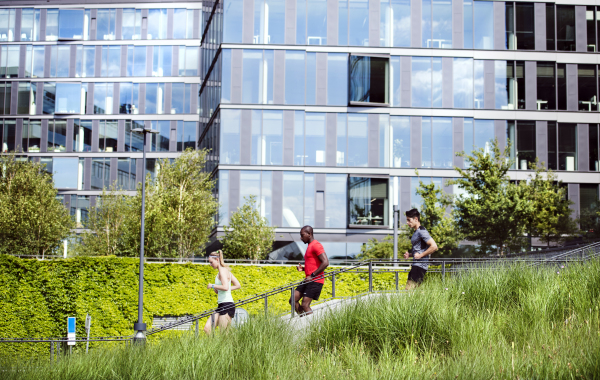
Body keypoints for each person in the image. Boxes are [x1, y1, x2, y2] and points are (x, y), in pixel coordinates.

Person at [290, 225, 329, 316]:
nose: (301, 237)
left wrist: (312, 276)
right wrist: (303, 269)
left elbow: (325, 262)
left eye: (302, 235)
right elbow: (314, 265)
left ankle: (311, 326)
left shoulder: (316, 245)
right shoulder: (310, 246)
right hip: (309, 279)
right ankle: (303, 320)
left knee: (305, 305)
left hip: (315, 280)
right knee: (293, 300)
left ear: (309, 234)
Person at [205, 250, 241, 334]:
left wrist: (213, 285)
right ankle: (212, 347)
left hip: (227, 305)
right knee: (207, 328)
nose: (210, 265)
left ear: (217, 260)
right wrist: (219, 289)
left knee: (224, 334)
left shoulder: (222, 271)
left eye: (211, 262)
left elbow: (225, 287)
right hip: (221, 305)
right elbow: (237, 285)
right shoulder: (224, 272)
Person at [403, 208, 438, 290]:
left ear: (416, 219)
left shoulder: (422, 231)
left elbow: (434, 246)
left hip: (419, 266)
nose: (407, 223)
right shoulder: (416, 232)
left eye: (409, 220)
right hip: (418, 265)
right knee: (419, 292)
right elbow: (419, 250)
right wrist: (410, 255)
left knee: (408, 290)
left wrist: (420, 255)